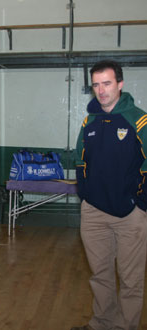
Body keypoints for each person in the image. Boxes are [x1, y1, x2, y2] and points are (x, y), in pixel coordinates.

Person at [73, 60, 147, 330]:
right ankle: (101, 323)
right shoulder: (89, 121)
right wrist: (86, 195)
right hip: (93, 213)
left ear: (120, 84)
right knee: (100, 275)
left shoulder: (139, 120)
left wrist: (140, 204)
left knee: (130, 280)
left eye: (107, 83)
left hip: (131, 216)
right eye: (96, 84)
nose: (101, 90)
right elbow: (80, 161)